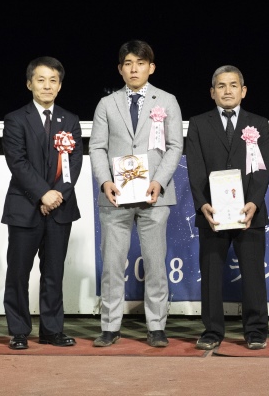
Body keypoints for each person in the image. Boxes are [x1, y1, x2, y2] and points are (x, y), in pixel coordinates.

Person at [89, 40, 183, 348]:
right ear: (120, 69)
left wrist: (159, 181)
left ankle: (156, 326)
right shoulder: (107, 104)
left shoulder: (167, 100)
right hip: (115, 196)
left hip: (154, 195)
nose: (134, 69)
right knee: (112, 265)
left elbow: (175, 146)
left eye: (140, 63)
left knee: (156, 264)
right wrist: (105, 181)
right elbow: (97, 147)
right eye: (128, 63)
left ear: (151, 67)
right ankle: (109, 326)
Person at [185, 65, 269, 350]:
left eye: (233, 85)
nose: (227, 91)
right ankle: (212, 331)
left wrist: (254, 202)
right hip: (213, 213)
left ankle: (256, 330)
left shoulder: (258, 123)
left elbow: (263, 169)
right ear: (212, 92)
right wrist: (203, 204)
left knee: (253, 274)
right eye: (221, 86)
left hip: (249, 212)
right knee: (211, 274)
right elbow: (195, 168)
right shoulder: (198, 123)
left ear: (243, 91)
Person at [1, 57, 83, 350]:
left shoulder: (70, 120)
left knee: (53, 273)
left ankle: (52, 330)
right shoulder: (15, 119)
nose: (47, 86)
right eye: (41, 80)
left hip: (60, 209)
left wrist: (56, 195)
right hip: (24, 207)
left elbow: (74, 163)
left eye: (53, 81)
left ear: (59, 86)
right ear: (29, 84)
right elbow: (17, 162)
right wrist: (42, 194)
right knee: (18, 272)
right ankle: (19, 330)